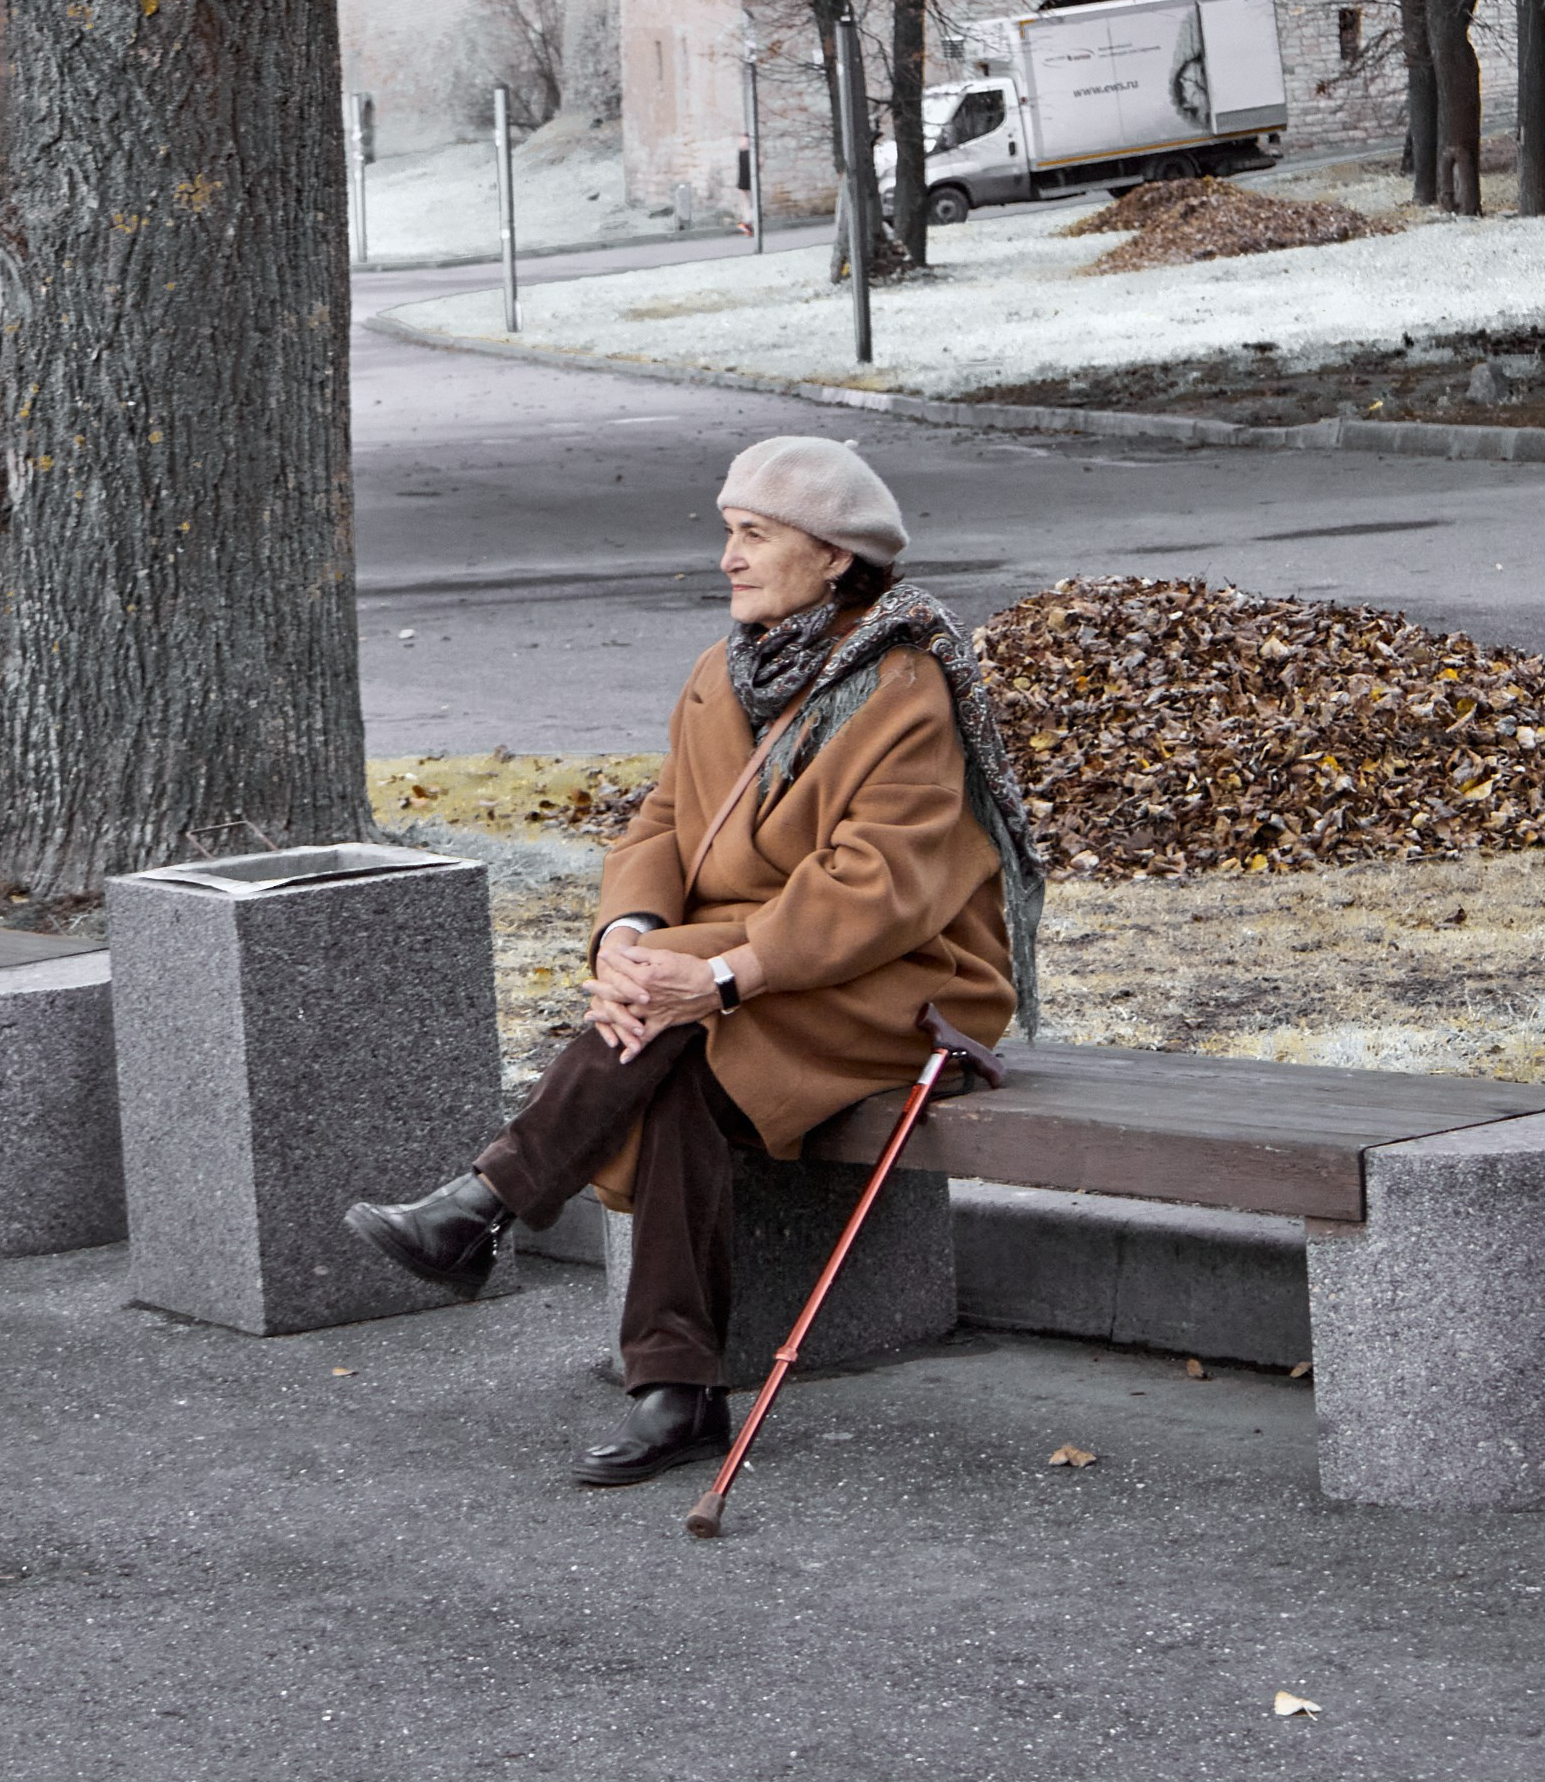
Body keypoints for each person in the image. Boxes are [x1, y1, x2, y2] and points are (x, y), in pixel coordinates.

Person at [347, 434, 1042, 1487]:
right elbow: (662, 826)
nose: (728, 557)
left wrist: (708, 976)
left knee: (674, 1020)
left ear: (835, 559)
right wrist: (627, 938)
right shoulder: (723, 673)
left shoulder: (902, 684)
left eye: (753, 536)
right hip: (750, 976)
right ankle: (671, 1391)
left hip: (903, 982)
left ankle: (487, 1204)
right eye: (727, 533)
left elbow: (877, 888)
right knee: (679, 1075)